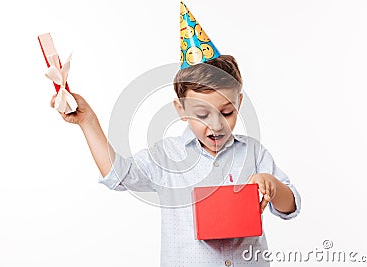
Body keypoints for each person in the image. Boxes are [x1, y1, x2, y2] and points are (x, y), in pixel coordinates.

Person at [50, 2, 301, 266]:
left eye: (226, 113)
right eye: (201, 115)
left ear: (238, 104)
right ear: (180, 110)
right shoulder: (166, 156)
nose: (216, 126)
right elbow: (118, 176)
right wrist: (88, 121)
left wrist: (272, 186)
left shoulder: (252, 152)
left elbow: (291, 205)